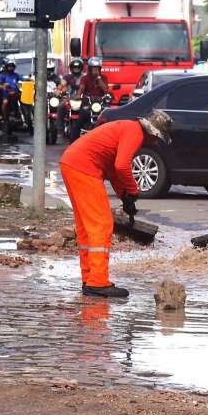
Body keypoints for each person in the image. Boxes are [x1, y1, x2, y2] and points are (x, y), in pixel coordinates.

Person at [60, 110, 172, 298]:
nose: (155, 143)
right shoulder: (135, 133)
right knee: (101, 224)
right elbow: (121, 166)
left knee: (86, 227)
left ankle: (89, 278)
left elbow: (113, 170)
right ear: (153, 133)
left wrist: (125, 197)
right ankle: (98, 282)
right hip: (84, 168)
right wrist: (133, 191)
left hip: (71, 164)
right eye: (157, 139)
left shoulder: (127, 128)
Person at [0, 58, 22, 126]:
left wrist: (29, 80)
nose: (11, 68)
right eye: (9, 66)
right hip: (4, 93)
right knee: (4, 102)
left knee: (22, 100)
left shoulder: (15, 75)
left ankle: (20, 116)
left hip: (14, 93)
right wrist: (3, 86)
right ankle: (1, 116)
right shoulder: (2, 75)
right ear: (6, 66)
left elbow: (22, 79)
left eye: (12, 66)